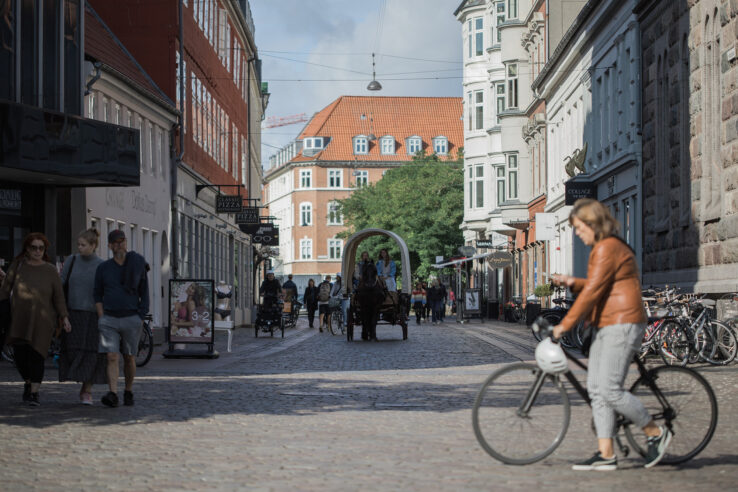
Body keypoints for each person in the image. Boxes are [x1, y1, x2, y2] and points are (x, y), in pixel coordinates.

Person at [551, 198, 670, 471]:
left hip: (623, 322)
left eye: (580, 228)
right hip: (607, 323)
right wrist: (573, 281)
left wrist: (564, 325)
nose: (578, 234)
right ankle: (606, 454)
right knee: (596, 388)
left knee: (609, 390)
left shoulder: (607, 248)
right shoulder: (602, 248)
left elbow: (593, 292)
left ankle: (655, 432)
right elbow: (600, 284)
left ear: (593, 224)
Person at [0, 233, 71, 406]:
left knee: (37, 355)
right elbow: (4, 290)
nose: (38, 251)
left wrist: (64, 317)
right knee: (20, 356)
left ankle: (34, 393)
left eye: (41, 248)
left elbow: (58, 296)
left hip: (43, 321)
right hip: (19, 319)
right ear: (27, 248)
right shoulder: (18, 266)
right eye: (34, 247)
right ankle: (28, 382)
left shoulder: (50, 270)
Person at [94, 229, 149, 408]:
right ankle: (113, 393)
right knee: (111, 356)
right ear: (109, 245)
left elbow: (144, 293)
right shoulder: (103, 268)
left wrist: (140, 316)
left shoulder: (137, 264)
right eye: (116, 242)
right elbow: (97, 294)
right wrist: (101, 315)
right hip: (109, 318)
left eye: (122, 241)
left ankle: (128, 390)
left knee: (129, 357)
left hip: (131, 317)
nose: (120, 245)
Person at [58, 229, 107, 405]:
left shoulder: (101, 265)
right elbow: (60, 284)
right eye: (78, 244)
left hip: (93, 315)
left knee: (92, 354)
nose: (79, 248)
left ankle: (87, 390)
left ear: (93, 246)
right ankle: (80, 383)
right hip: (73, 314)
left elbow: (105, 292)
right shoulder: (71, 261)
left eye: (83, 245)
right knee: (73, 351)